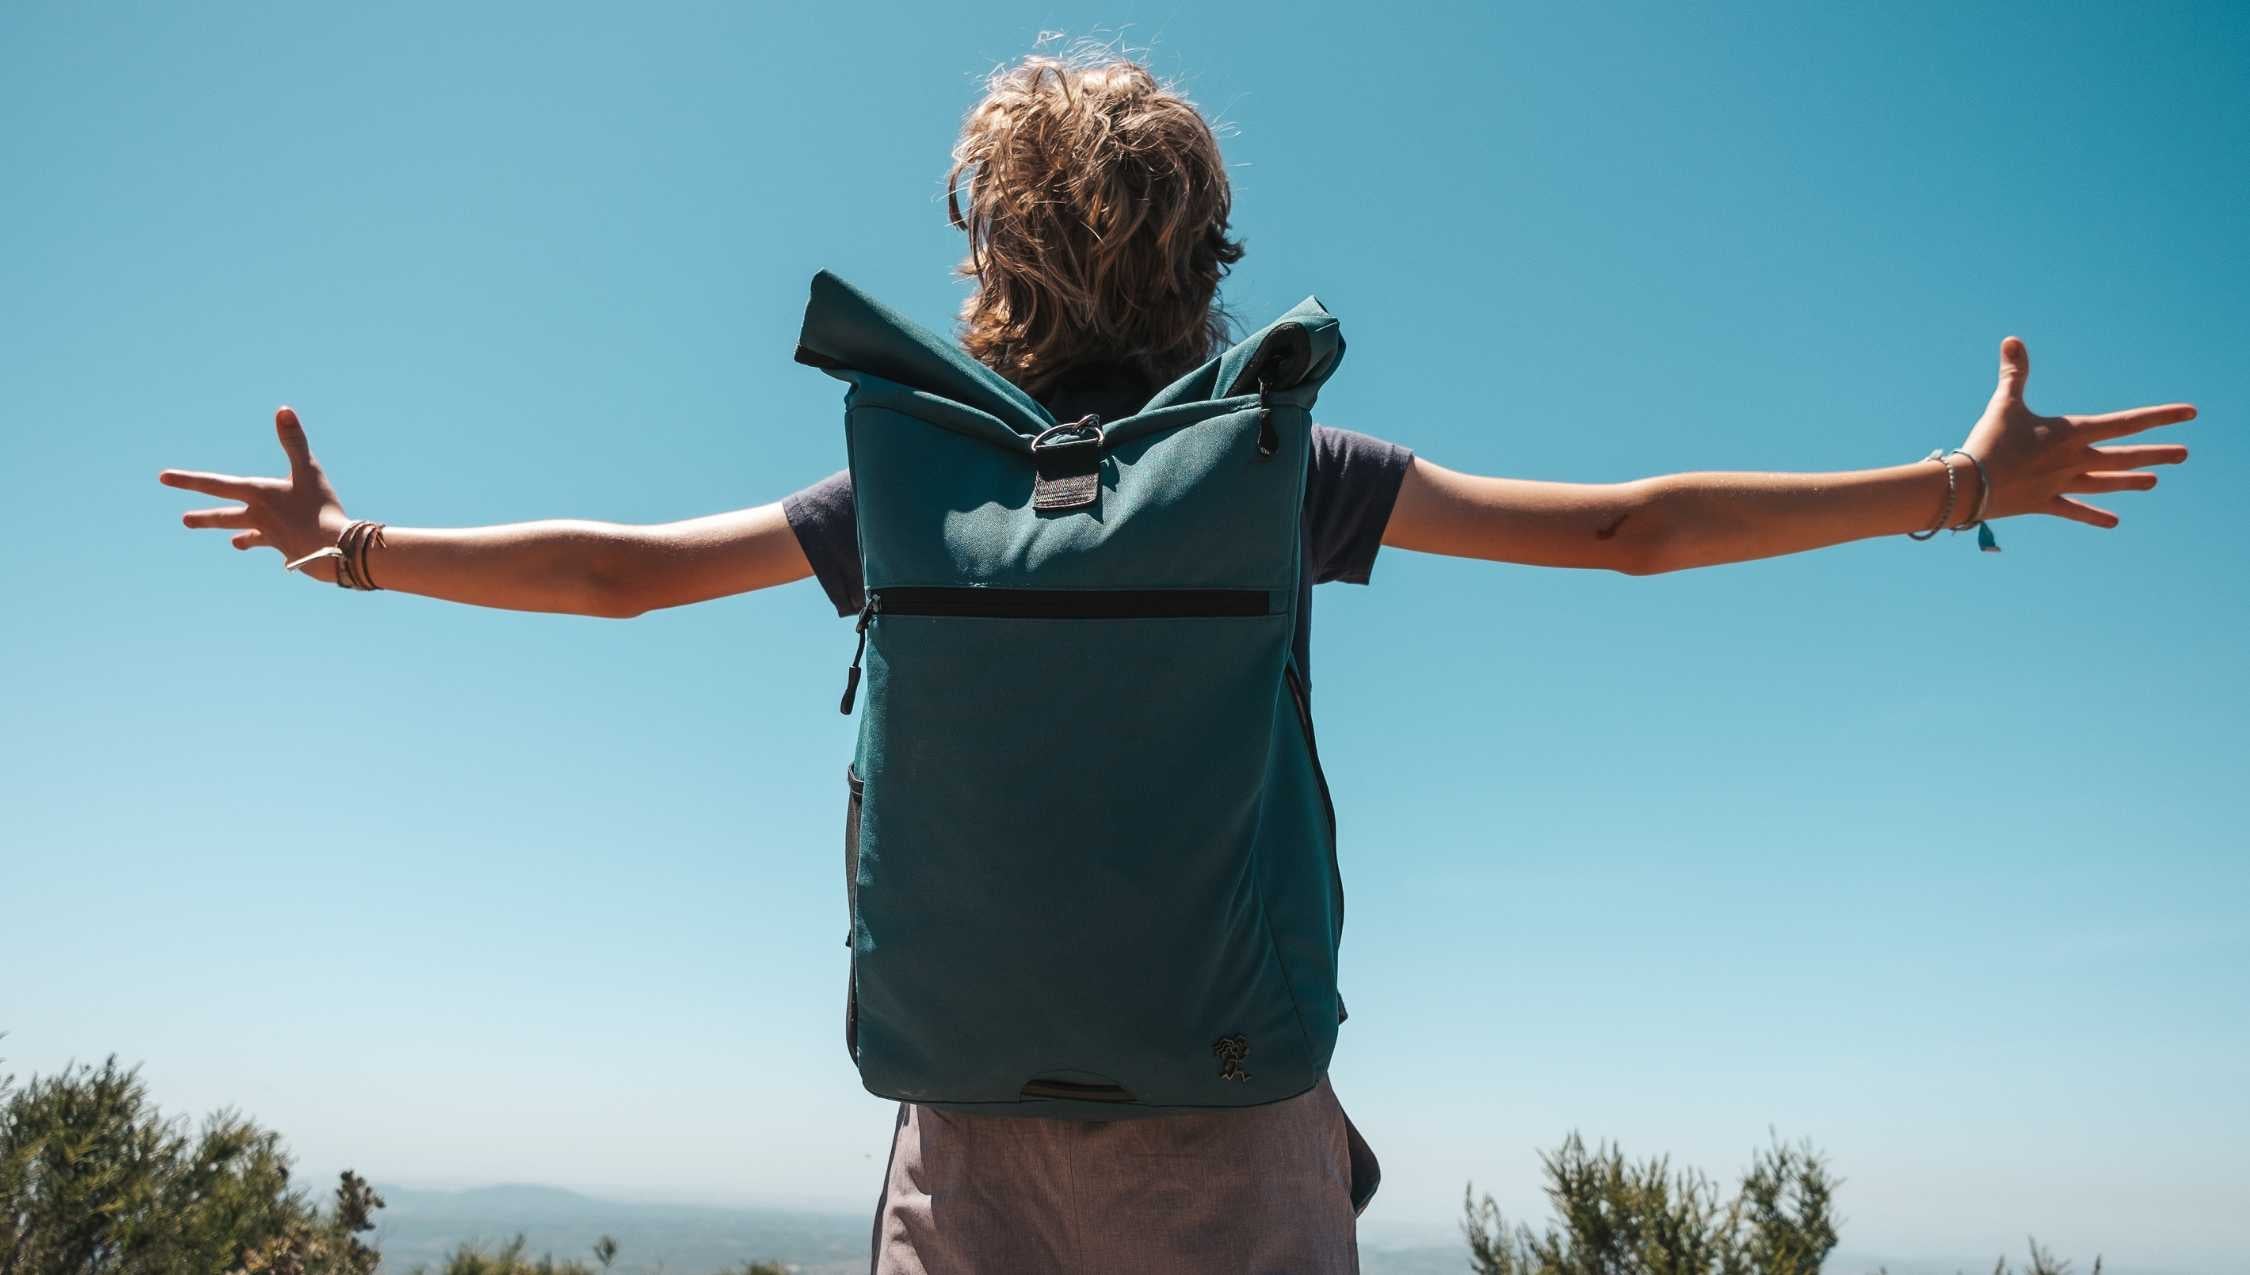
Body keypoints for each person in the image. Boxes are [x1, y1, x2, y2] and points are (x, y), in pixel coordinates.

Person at [157, 49, 2195, 1275]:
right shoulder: (1285, 469)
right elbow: (1632, 529)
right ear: (1208, 255)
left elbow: (613, 578)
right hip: (1228, 1130)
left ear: (986, 259)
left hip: (959, 1122)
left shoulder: (918, 489)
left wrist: (355, 550)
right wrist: (1949, 482)